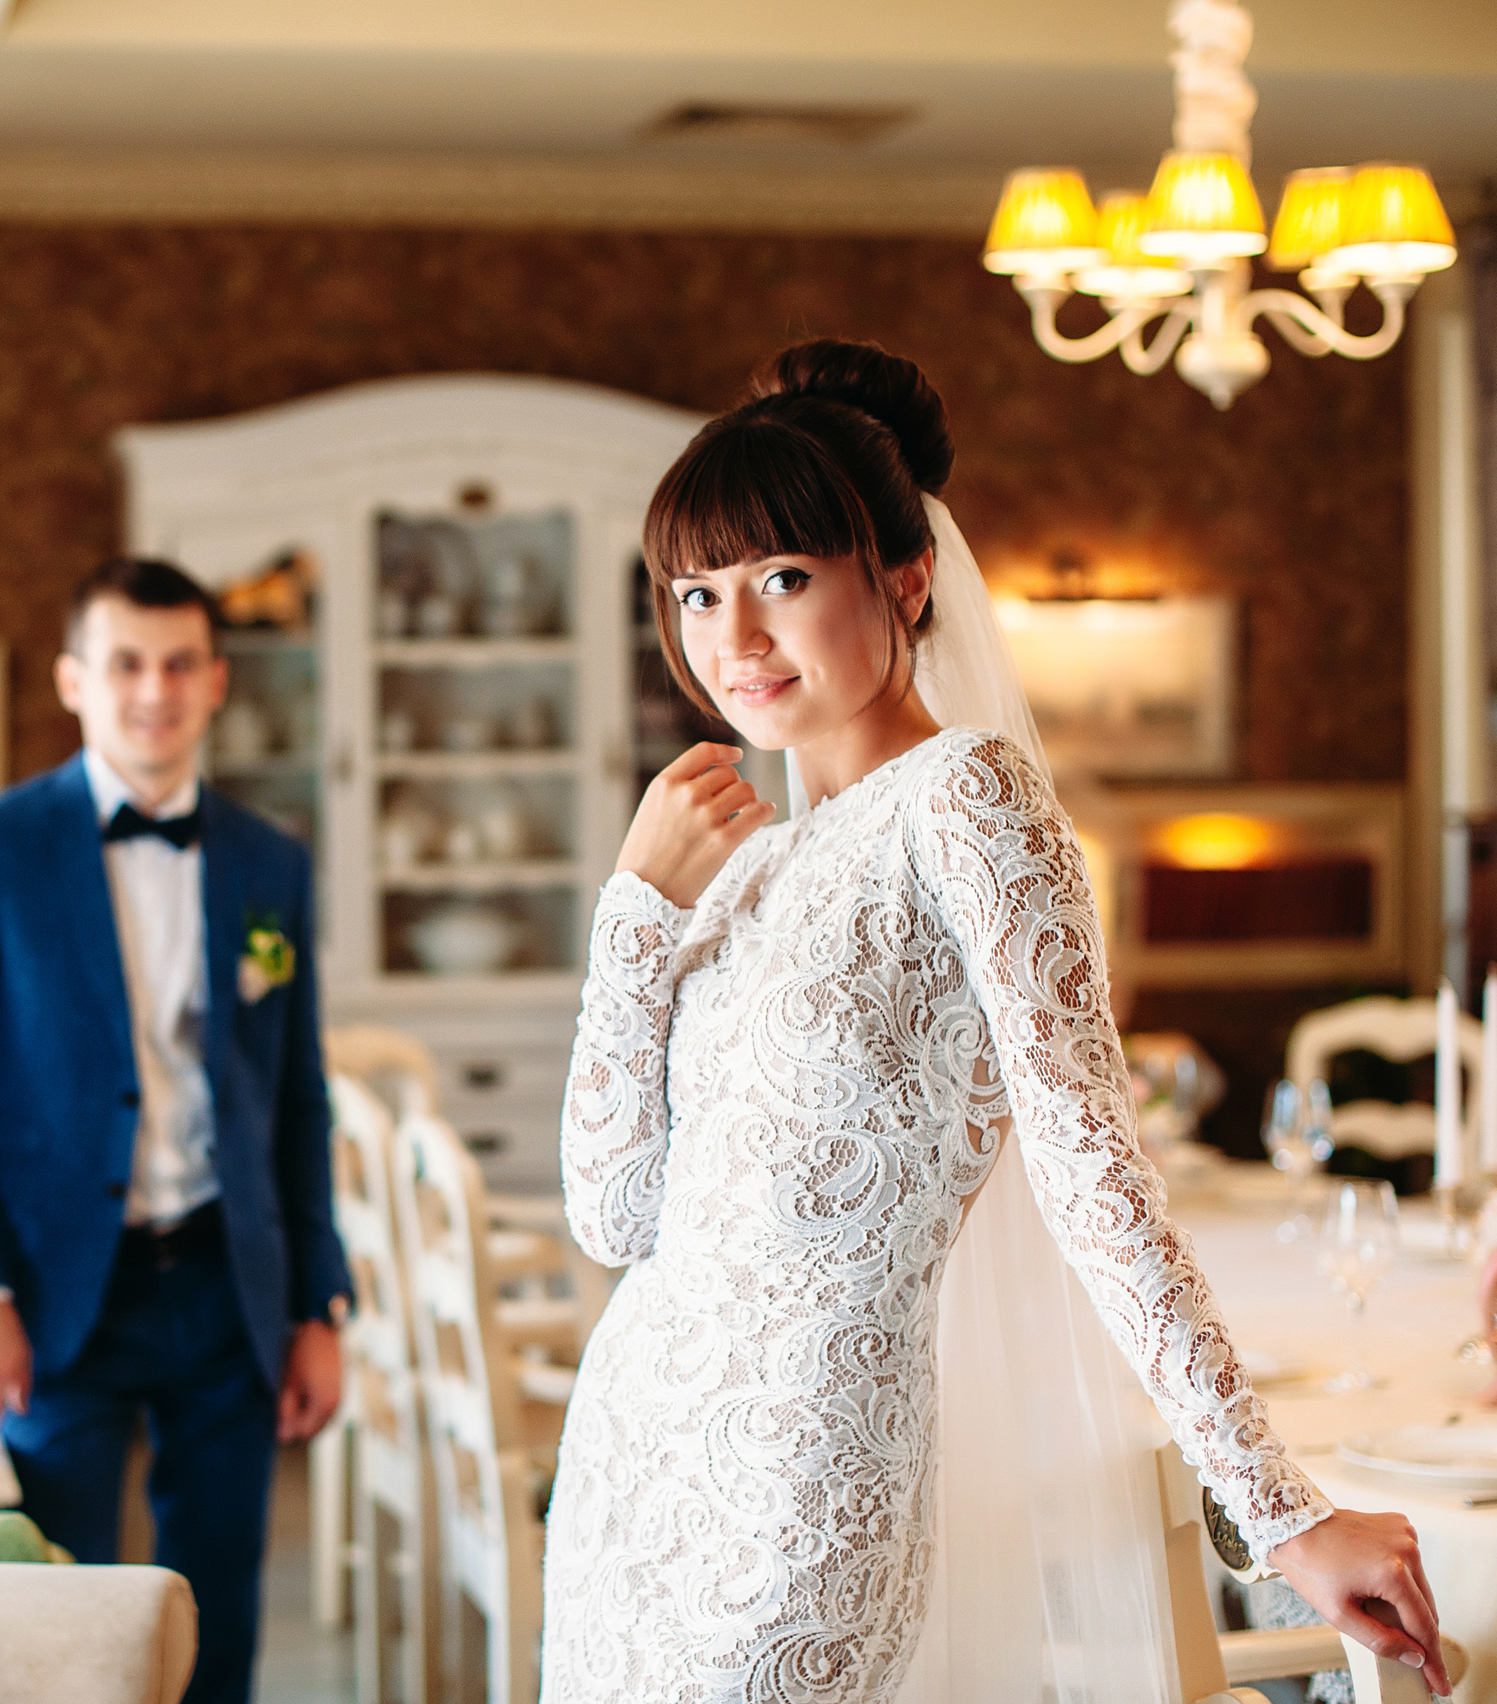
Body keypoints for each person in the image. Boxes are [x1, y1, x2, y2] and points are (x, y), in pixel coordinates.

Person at [540, 340, 1446, 1703]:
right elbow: (613, 1219)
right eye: (696, 592)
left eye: (785, 578)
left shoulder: (967, 797)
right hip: (635, 1451)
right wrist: (633, 918)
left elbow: (1097, 1177)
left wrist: (1280, 1510)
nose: (734, 640)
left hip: (809, 1479)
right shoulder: (749, 861)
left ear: (904, 578)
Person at [0, 557, 350, 1704]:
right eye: (127, 663)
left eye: (180, 663)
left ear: (218, 681)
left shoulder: (266, 861)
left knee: (218, 1609)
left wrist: (315, 1302)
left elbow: (294, 1093)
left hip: (224, 1284)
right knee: (58, 1616)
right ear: (74, 680)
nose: (155, 689)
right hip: (47, 1297)